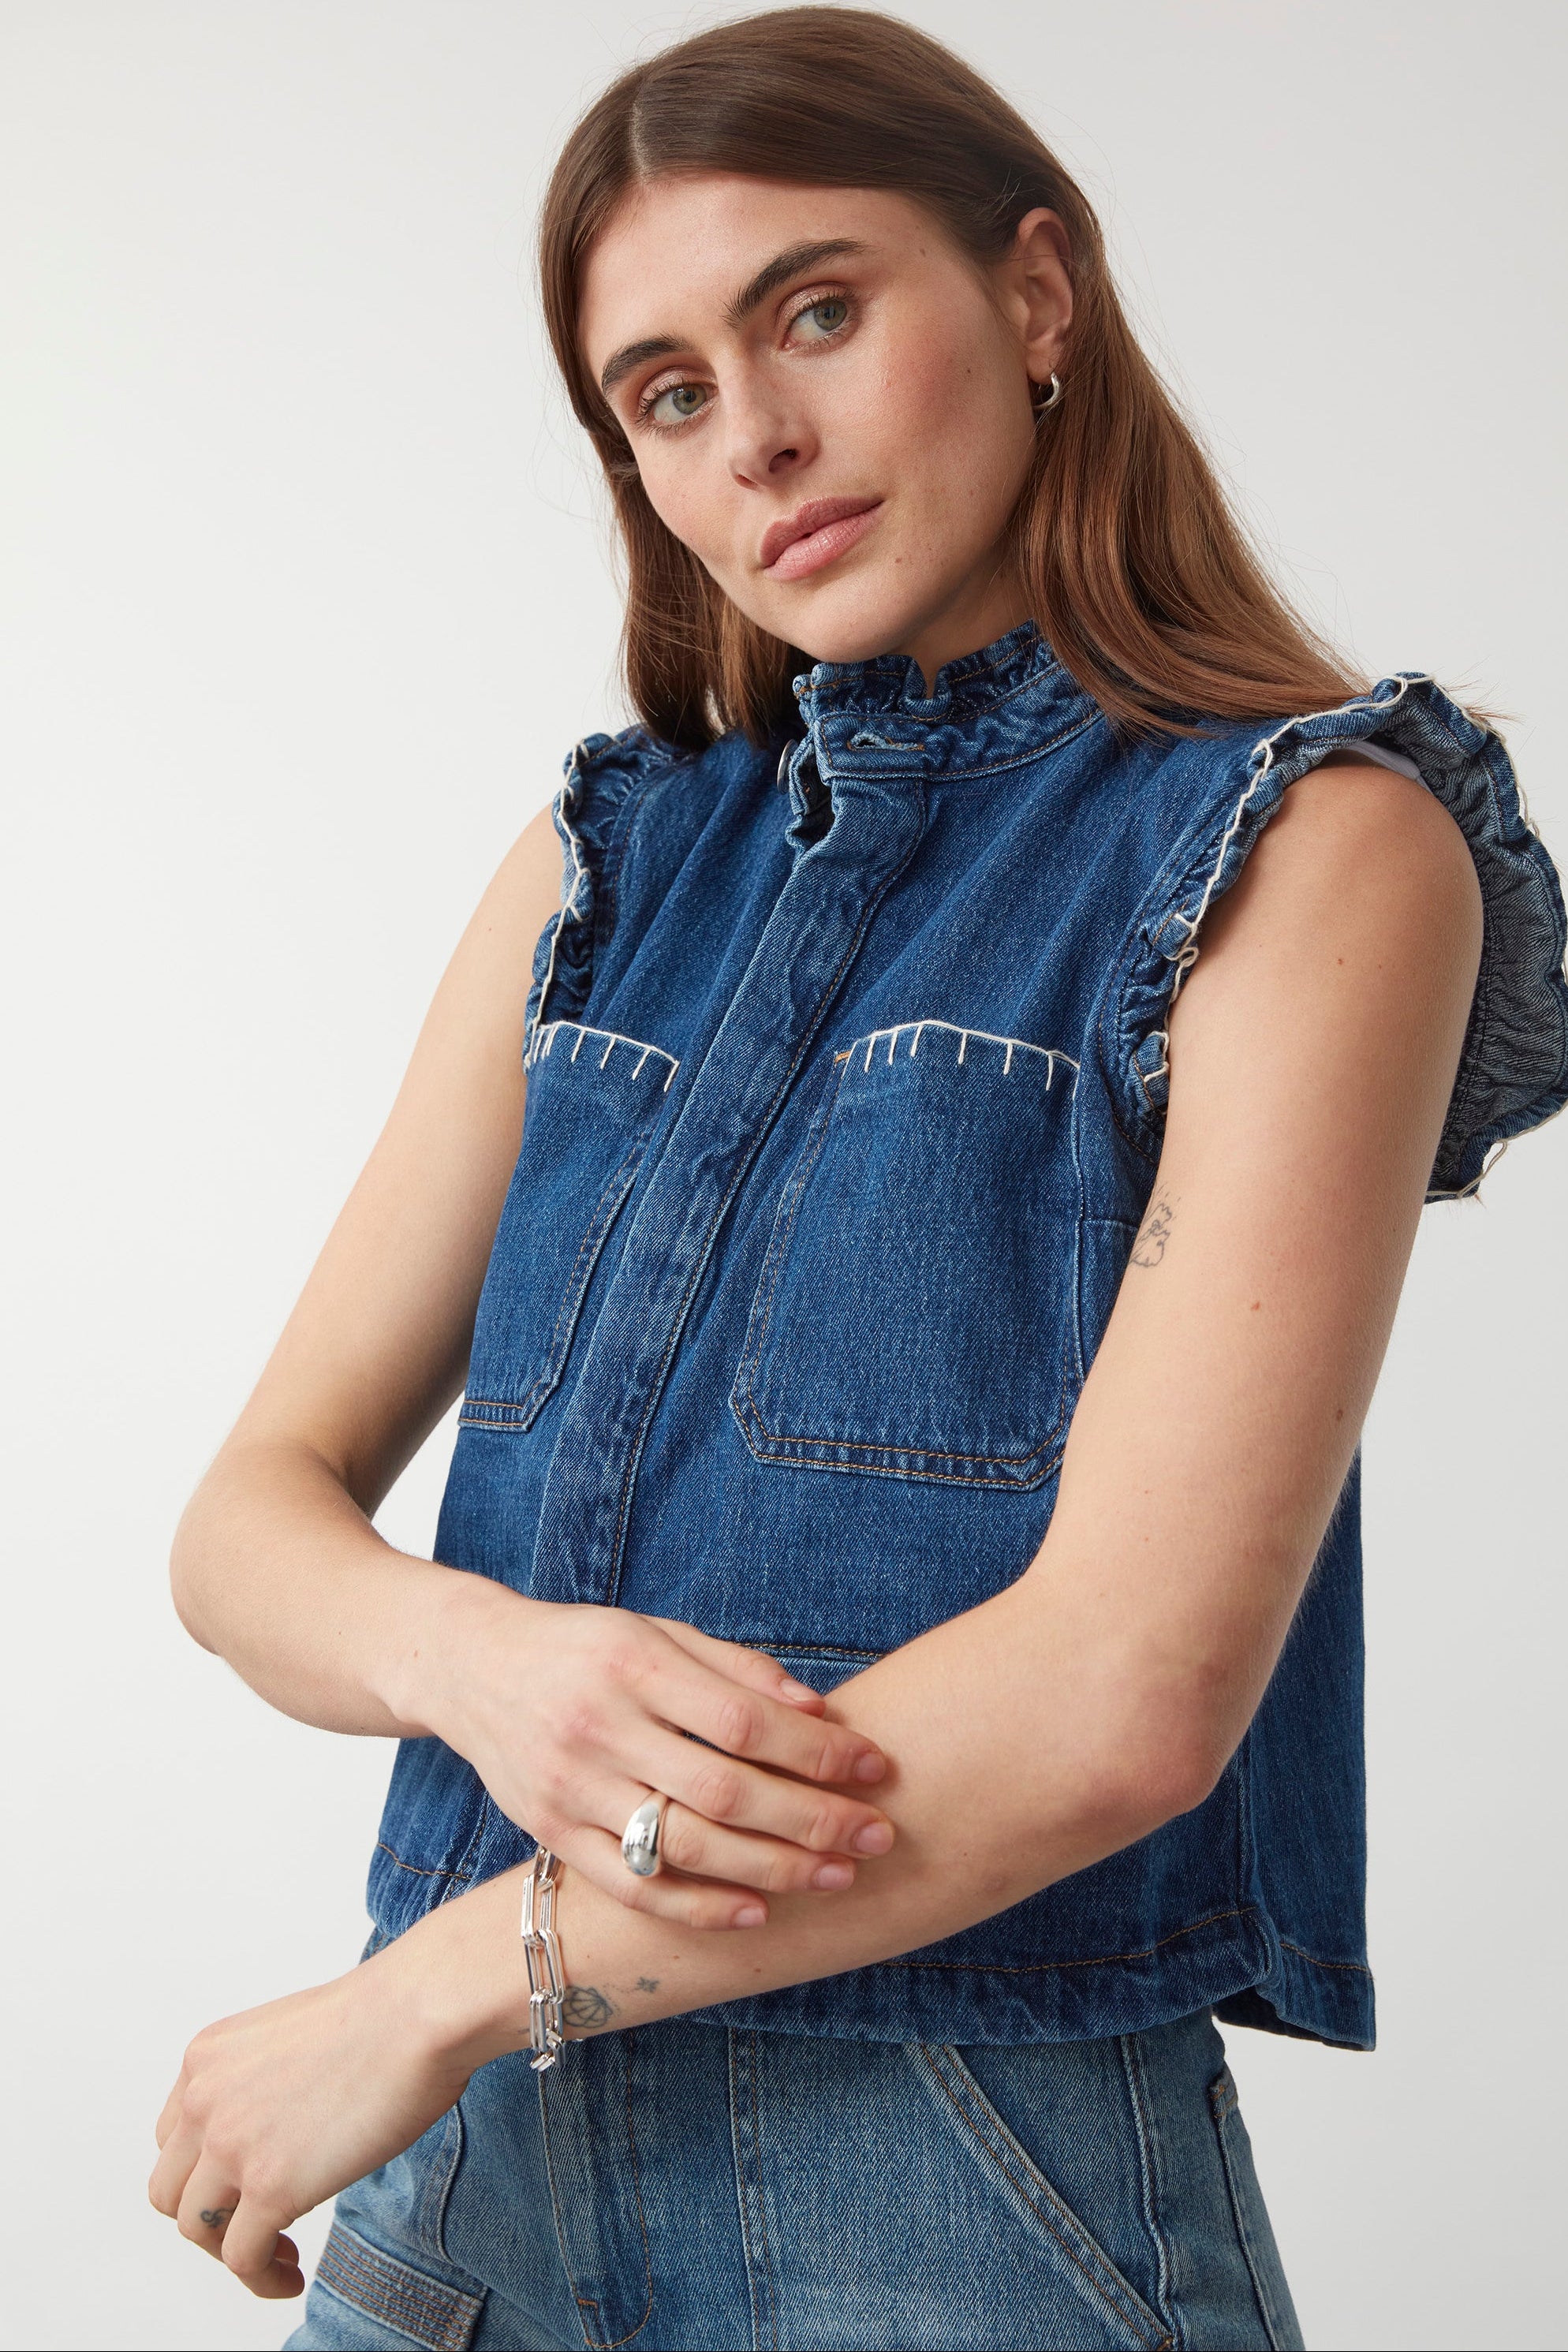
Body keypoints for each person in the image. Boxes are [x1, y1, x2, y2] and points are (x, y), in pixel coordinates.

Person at [147, 11, 1568, 2348]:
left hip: (942, 2182)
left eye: (814, 309)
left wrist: (441, 1989)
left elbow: (1124, 1689)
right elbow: (247, 1527)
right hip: (458, 2192)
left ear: (1033, 297)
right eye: (668, 394)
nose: (758, 436)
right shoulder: (597, 864)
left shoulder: (1316, 842)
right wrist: (483, 1667)